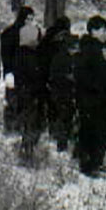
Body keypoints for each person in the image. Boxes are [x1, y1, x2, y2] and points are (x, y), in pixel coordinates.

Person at [74, 15, 106, 176]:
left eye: (105, 29)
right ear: (92, 31)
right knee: (91, 132)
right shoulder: (88, 49)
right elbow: (87, 76)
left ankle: (97, 163)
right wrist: (102, 88)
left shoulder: (101, 49)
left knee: (102, 132)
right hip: (92, 100)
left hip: (102, 100)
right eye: (101, 29)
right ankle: (89, 166)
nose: (104, 33)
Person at [11, 6, 44, 165]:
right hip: (30, 92)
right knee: (31, 121)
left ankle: (27, 148)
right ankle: (27, 151)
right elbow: (33, 75)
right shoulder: (30, 55)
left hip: (25, 91)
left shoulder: (21, 53)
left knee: (29, 120)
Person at [40, 15, 79, 152]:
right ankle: (62, 137)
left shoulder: (47, 38)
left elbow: (43, 57)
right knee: (64, 111)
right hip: (63, 79)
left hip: (48, 77)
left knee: (52, 107)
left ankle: (52, 131)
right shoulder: (67, 41)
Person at [0, 6, 31, 133]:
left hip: (13, 72)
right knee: (19, 101)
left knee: (13, 100)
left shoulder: (8, 32)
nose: (31, 21)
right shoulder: (22, 34)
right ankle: (16, 127)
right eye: (30, 18)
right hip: (19, 72)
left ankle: (11, 127)